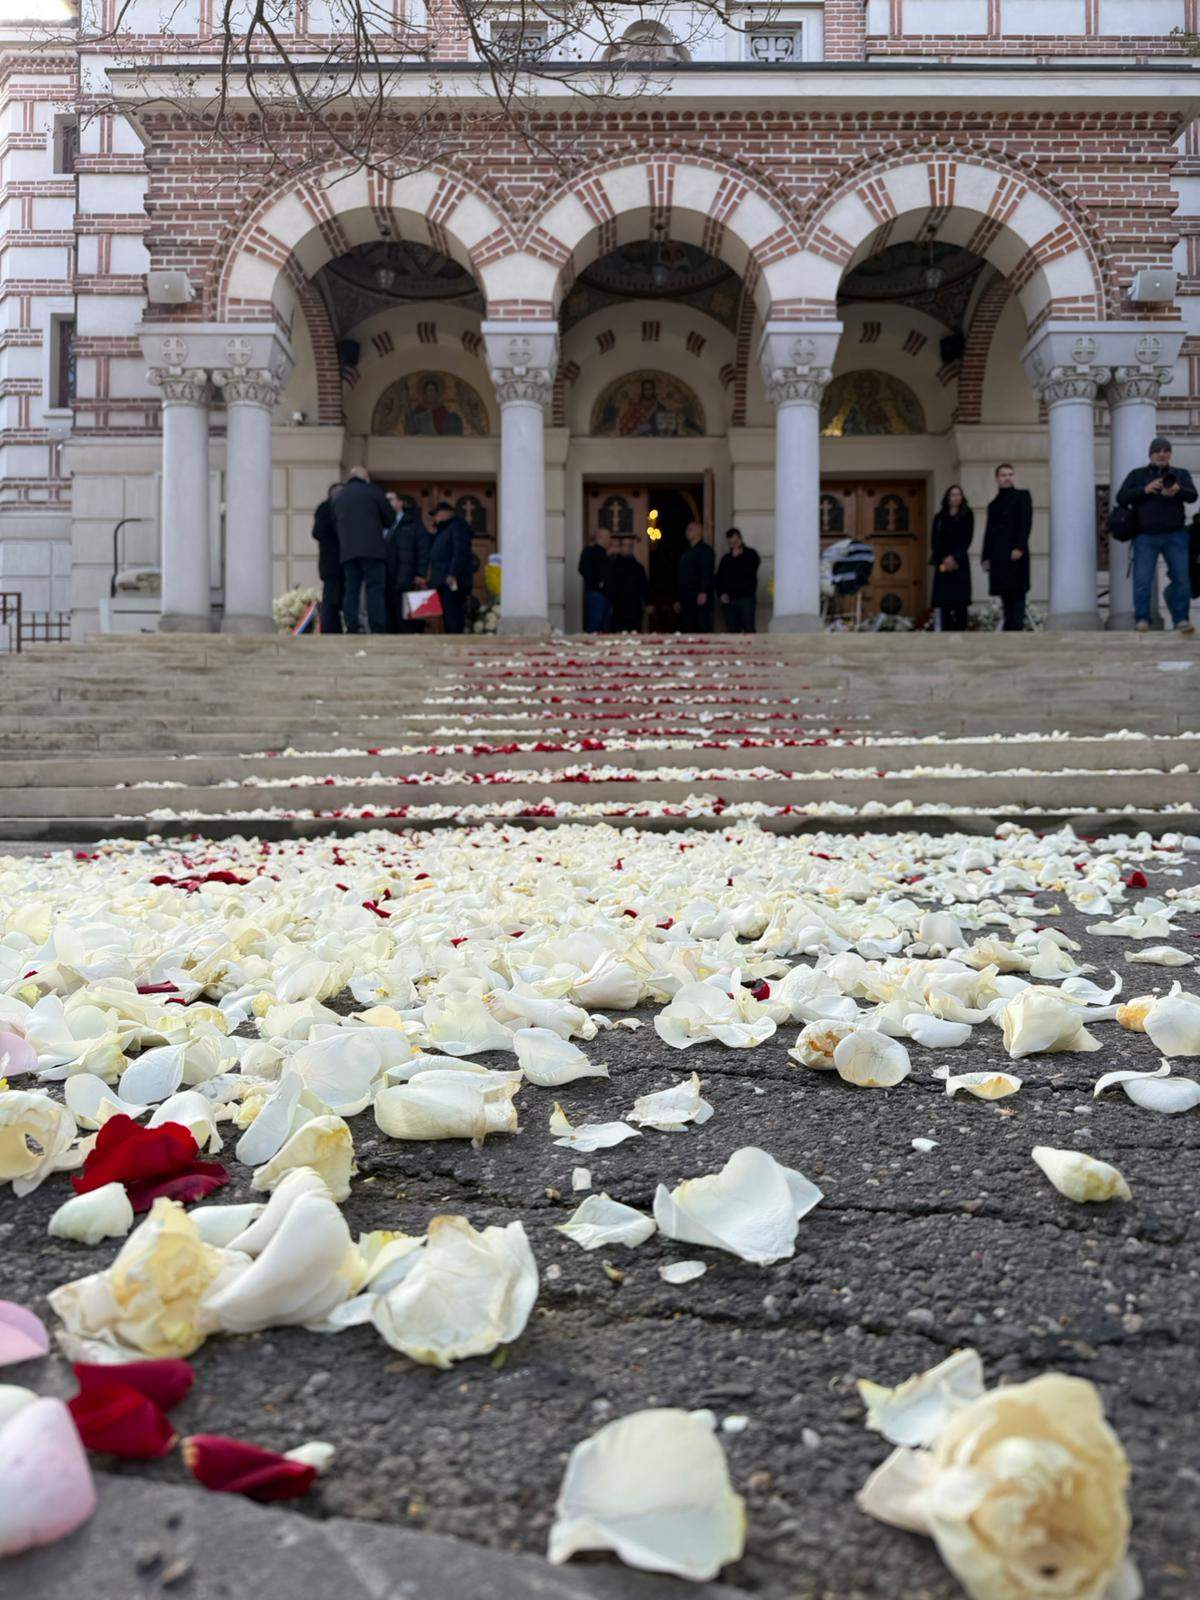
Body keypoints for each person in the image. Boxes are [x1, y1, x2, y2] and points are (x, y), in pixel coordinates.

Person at [1116, 436, 1197, 634]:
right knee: (1142, 580)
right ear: (1150, 454)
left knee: (1182, 579)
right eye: (1157, 450)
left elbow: (1193, 495)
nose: (1162, 453)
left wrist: (1177, 490)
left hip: (1176, 535)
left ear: (1170, 453)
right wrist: (1145, 489)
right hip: (1145, 536)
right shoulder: (1137, 475)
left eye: (1165, 450)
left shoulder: (1180, 474)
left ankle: (1181, 620)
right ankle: (1142, 619)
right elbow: (1121, 497)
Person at [334, 466, 392, 634]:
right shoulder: (374, 491)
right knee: (375, 589)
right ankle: (377, 628)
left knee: (351, 589)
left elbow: (335, 523)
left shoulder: (339, 496)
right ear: (365, 478)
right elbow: (389, 518)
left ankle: (352, 627)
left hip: (348, 551)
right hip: (373, 550)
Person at [981, 463, 1032, 631]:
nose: (1008, 478)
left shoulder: (1022, 496)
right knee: (1005, 598)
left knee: (1017, 595)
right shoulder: (993, 504)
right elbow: (989, 532)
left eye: (1010, 474)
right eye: (1004, 475)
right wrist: (985, 557)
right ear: (997, 479)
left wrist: (1020, 547)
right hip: (999, 557)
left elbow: (1026, 523)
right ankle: (1009, 634)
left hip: (1016, 555)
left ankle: (1015, 635)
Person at [384, 493, 432, 633]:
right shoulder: (380, 522)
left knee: (407, 618)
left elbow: (423, 549)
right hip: (385, 577)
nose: (387, 503)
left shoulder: (413, 522)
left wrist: (420, 573)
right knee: (389, 616)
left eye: (390, 499)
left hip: (407, 577)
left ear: (400, 503)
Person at [427, 500, 475, 634]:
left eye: (436, 514)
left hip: (452, 581)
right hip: (442, 581)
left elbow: (460, 552)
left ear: (446, 513)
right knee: (447, 617)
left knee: (453, 617)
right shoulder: (443, 530)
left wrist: (452, 574)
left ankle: (456, 646)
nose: (435, 518)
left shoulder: (458, 526)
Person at [930, 485, 974, 632]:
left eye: (958, 494)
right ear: (947, 498)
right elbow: (934, 541)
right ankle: (945, 635)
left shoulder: (967, 515)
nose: (956, 497)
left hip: (959, 563)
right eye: (952, 495)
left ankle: (962, 635)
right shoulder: (939, 518)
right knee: (944, 603)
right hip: (943, 564)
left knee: (960, 603)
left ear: (962, 497)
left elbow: (967, 539)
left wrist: (954, 557)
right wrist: (944, 559)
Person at [311, 482, 342, 634]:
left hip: (335, 561)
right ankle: (329, 628)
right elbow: (317, 532)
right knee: (331, 598)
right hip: (332, 561)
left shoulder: (328, 508)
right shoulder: (326, 508)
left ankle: (334, 627)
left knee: (337, 597)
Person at [716, 527, 760, 633]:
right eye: (731, 543)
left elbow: (751, 571)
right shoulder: (726, 559)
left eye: (736, 542)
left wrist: (738, 559)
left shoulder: (751, 554)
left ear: (740, 539)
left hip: (746, 598)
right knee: (732, 631)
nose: (734, 545)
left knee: (749, 628)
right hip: (730, 600)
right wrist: (721, 594)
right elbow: (718, 579)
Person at [676, 520, 714, 633]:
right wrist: (678, 598)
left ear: (698, 532)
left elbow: (707, 572)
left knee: (701, 628)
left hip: (699, 597)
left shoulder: (706, 551)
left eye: (690, 529)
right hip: (686, 598)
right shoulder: (686, 553)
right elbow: (681, 577)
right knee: (687, 628)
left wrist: (703, 591)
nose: (686, 532)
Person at [607, 534, 649, 633]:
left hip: (634, 608)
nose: (628, 548)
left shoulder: (638, 567)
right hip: (618, 608)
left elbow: (644, 586)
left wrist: (647, 602)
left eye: (630, 546)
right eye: (626, 545)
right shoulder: (613, 565)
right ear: (621, 547)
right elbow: (610, 585)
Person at [578, 529, 612, 634]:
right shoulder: (590, 552)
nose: (610, 541)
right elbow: (583, 569)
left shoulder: (607, 555)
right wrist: (598, 582)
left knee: (604, 627)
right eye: (608, 538)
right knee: (594, 625)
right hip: (595, 594)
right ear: (601, 538)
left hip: (606, 595)